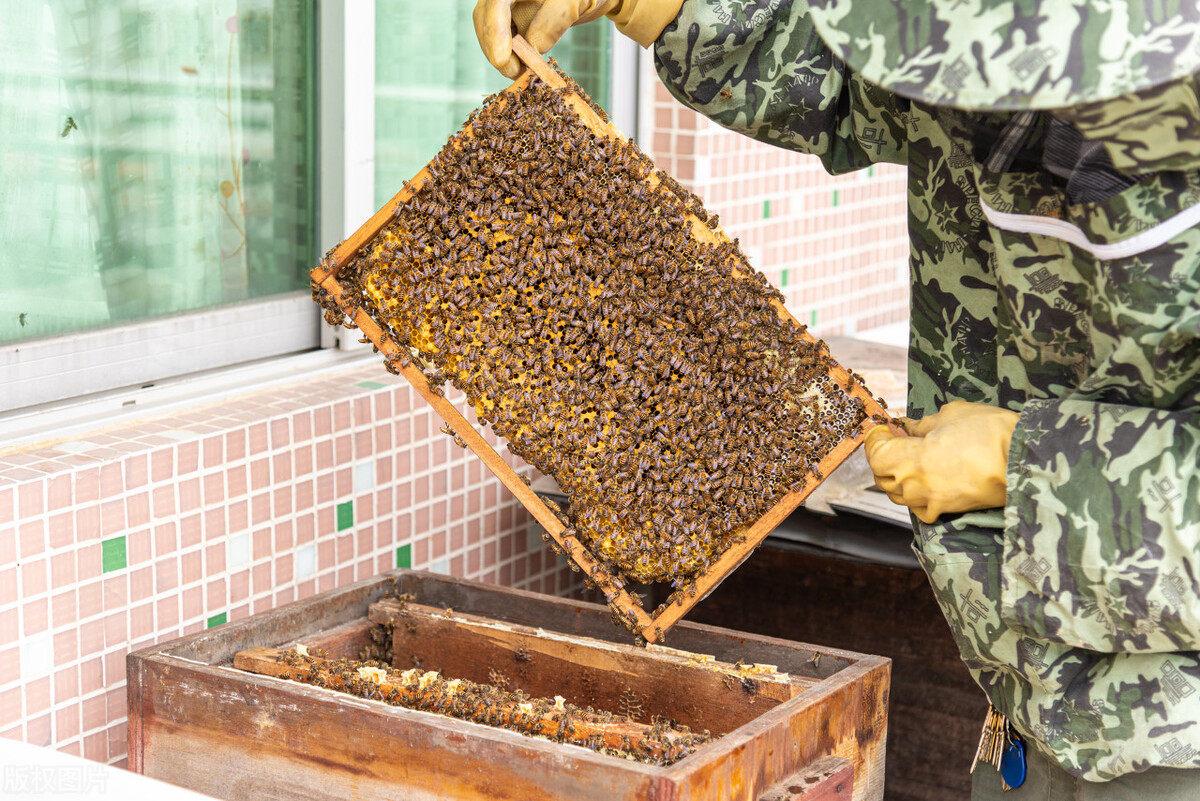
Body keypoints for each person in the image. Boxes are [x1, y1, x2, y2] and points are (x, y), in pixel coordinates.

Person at [473, 0, 1200, 797]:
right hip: (1026, 708)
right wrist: (663, 9)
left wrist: (1018, 466)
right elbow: (853, 82)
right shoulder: (974, 43)